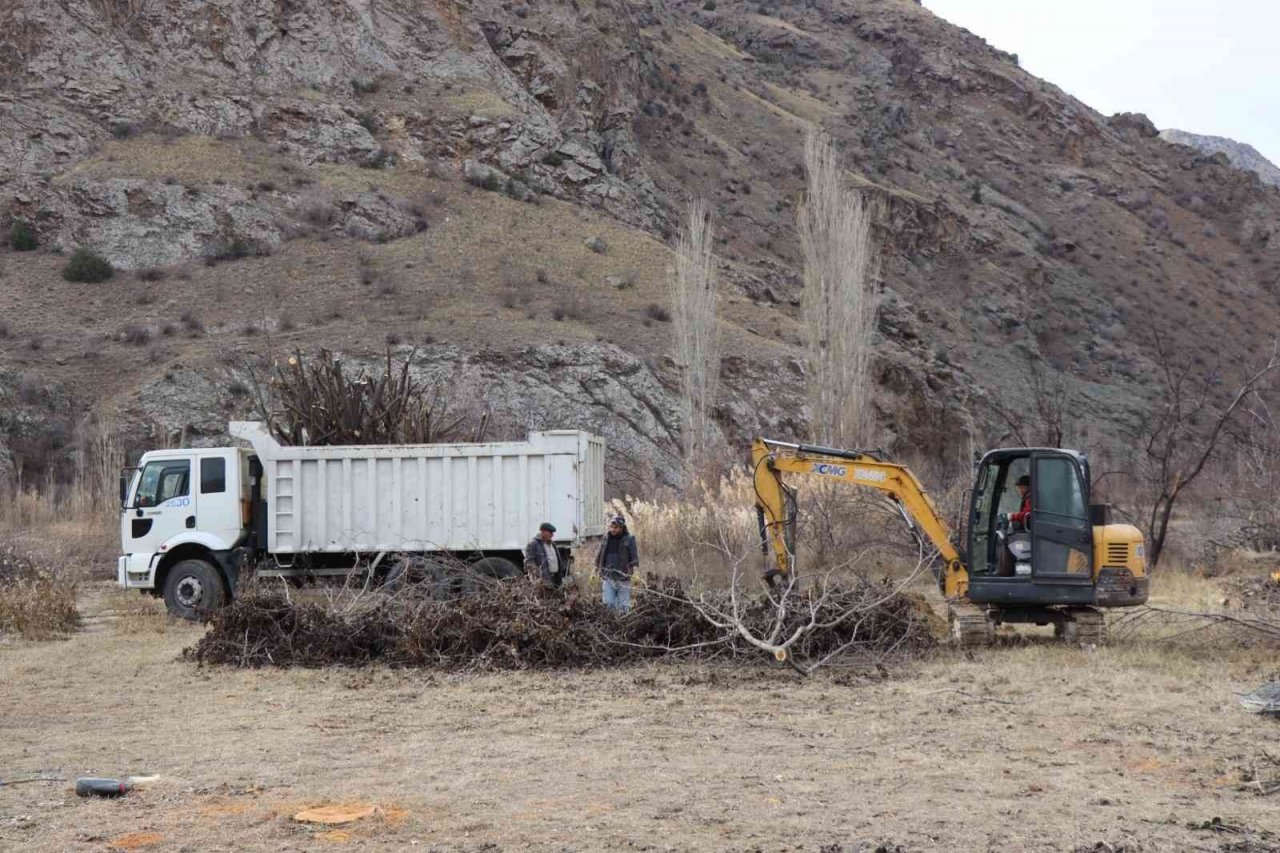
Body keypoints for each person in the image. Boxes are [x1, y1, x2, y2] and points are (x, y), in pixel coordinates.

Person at [596, 515, 639, 612]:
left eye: (616, 527)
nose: (613, 529)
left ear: (622, 528)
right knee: (608, 604)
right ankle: (610, 625)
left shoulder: (629, 539)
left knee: (624, 607)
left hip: (623, 578)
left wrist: (635, 572)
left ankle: (623, 625)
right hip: (608, 578)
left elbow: (634, 557)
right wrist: (596, 569)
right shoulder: (605, 539)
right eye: (611, 527)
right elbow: (599, 555)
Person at [524, 522, 568, 589]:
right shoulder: (532, 544)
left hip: (555, 579)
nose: (552, 535)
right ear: (543, 531)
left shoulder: (553, 544)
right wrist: (539, 577)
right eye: (550, 533)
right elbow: (529, 563)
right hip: (543, 582)